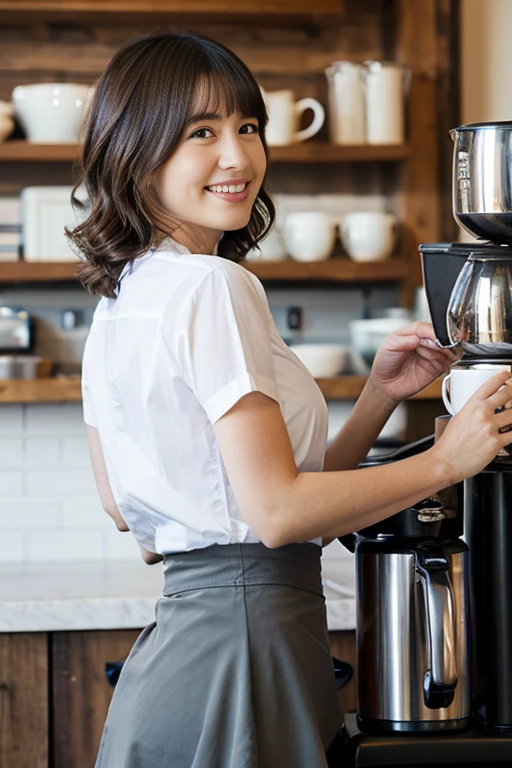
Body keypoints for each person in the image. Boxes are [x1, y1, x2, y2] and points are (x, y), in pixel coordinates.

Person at [68, 30, 512, 768]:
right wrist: (445, 459)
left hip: (184, 659)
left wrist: (376, 397)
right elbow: (275, 515)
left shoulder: (120, 303)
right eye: (199, 133)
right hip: (249, 651)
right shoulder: (213, 287)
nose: (238, 157)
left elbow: (155, 517)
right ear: (135, 152)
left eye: (247, 127)